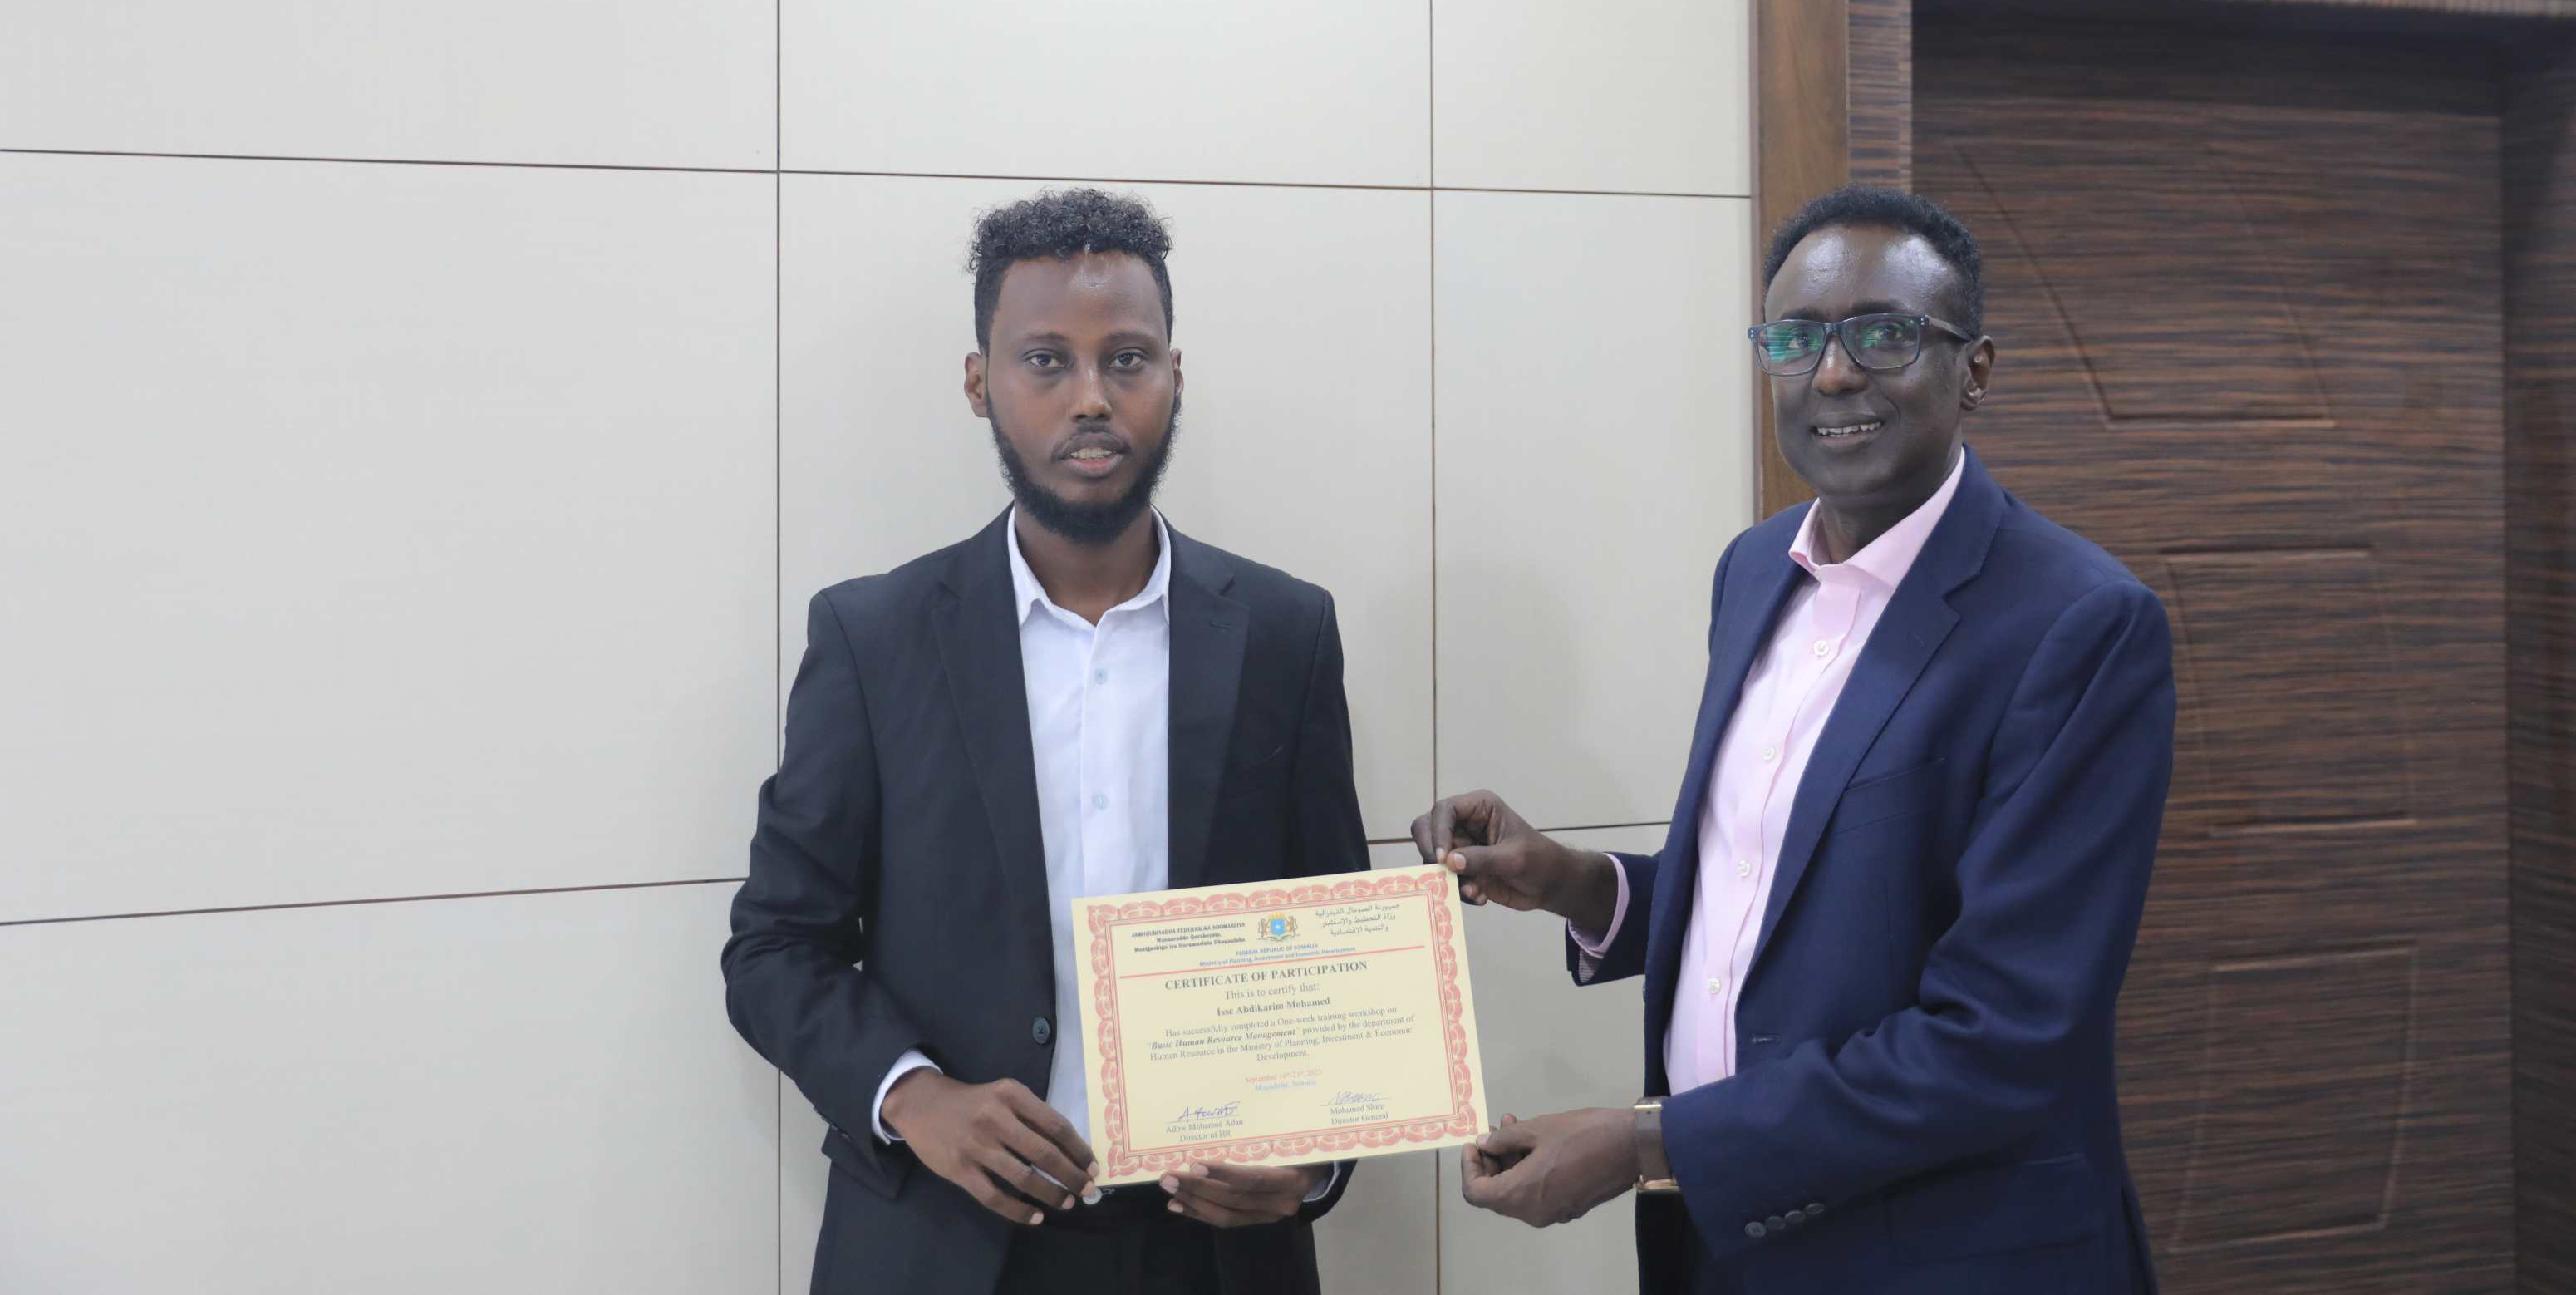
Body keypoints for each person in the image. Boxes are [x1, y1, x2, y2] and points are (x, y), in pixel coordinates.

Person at [1416, 185, 2174, 1293]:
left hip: (1944, 1256)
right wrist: (1579, 885)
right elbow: (1790, 887)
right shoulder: (1755, 571)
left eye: (1883, 335)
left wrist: (1644, 1144)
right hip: (1729, 1244)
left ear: (1974, 370)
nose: (1833, 374)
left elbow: (2002, 1036)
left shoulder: (2080, 624)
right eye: (1795, 339)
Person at [725, 188, 1368, 1295]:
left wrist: (1313, 1162)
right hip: (942, 1244)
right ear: (980, 383)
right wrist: (914, 1095)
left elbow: (1331, 942)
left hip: (1213, 1254)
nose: (1091, 397)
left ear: (1175, 376)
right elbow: (775, 948)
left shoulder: (1284, 632)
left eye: (1127, 359)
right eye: (1045, 361)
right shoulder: (874, 639)